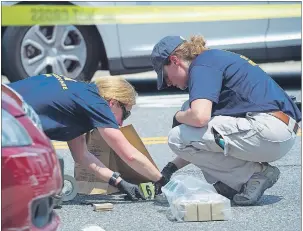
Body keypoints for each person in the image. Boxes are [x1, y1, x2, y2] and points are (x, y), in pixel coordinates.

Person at [151, 35, 301, 205]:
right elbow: (200, 139)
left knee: (178, 131)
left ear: (174, 60)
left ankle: (251, 176)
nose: (168, 83)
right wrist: (170, 168)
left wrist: (177, 116)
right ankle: (236, 182)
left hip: (268, 130)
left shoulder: (202, 66)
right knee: (189, 114)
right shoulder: (214, 60)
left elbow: (199, 119)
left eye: (165, 75)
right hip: (279, 131)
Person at [8, 74, 168, 201]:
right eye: (125, 113)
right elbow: (130, 155)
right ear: (113, 103)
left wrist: (119, 183)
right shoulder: (98, 104)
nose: (120, 123)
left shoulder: (79, 96)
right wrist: (162, 181)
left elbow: (82, 156)